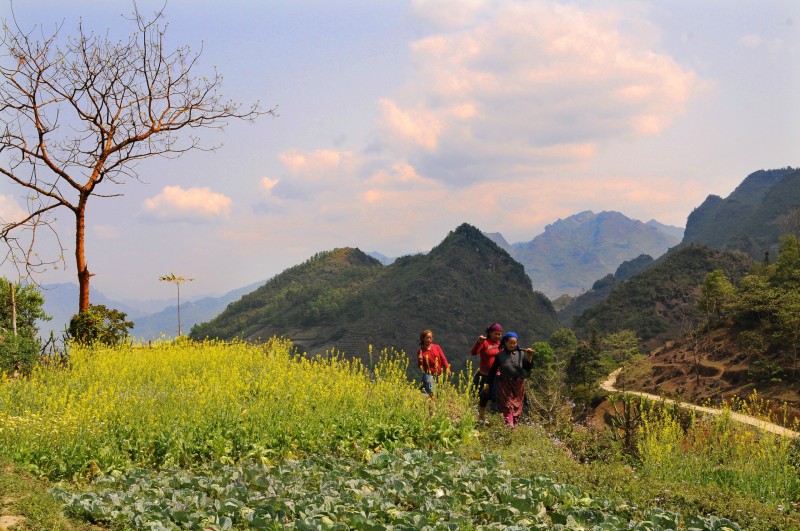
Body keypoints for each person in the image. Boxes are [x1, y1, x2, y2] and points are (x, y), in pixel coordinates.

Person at [487, 332, 535, 427]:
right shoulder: (500, 355)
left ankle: (514, 426)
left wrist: (529, 356)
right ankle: (510, 425)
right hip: (505, 384)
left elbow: (528, 368)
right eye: (511, 343)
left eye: (515, 343)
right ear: (505, 342)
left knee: (517, 405)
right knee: (507, 405)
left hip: (518, 384)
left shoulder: (521, 354)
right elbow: (492, 371)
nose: (513, 345)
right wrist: (488, 383)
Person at [470, 323, 503, 424]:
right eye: (495, 334)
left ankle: (498, 421)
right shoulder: (485, 342)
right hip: (484, 375)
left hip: (497, 375)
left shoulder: (501, 344)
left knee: (498, 398)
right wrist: (478, 342)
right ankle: (481, 417)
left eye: (499, 334)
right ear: (490, 333)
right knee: (483, 397)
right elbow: (474, 352)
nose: (497, 336)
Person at [417, 329, 450, 397]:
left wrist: (447, 367)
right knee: (432, 392)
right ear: (423, 339)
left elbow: (443, 358)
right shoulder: (421, 351)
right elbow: (420, 367)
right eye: (427, 338)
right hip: (428, 374)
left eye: (431, 337)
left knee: (439, 394)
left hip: (438, 374)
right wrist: (420, 360)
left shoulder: (436, 347)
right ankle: (432, 405)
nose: (429, 339)